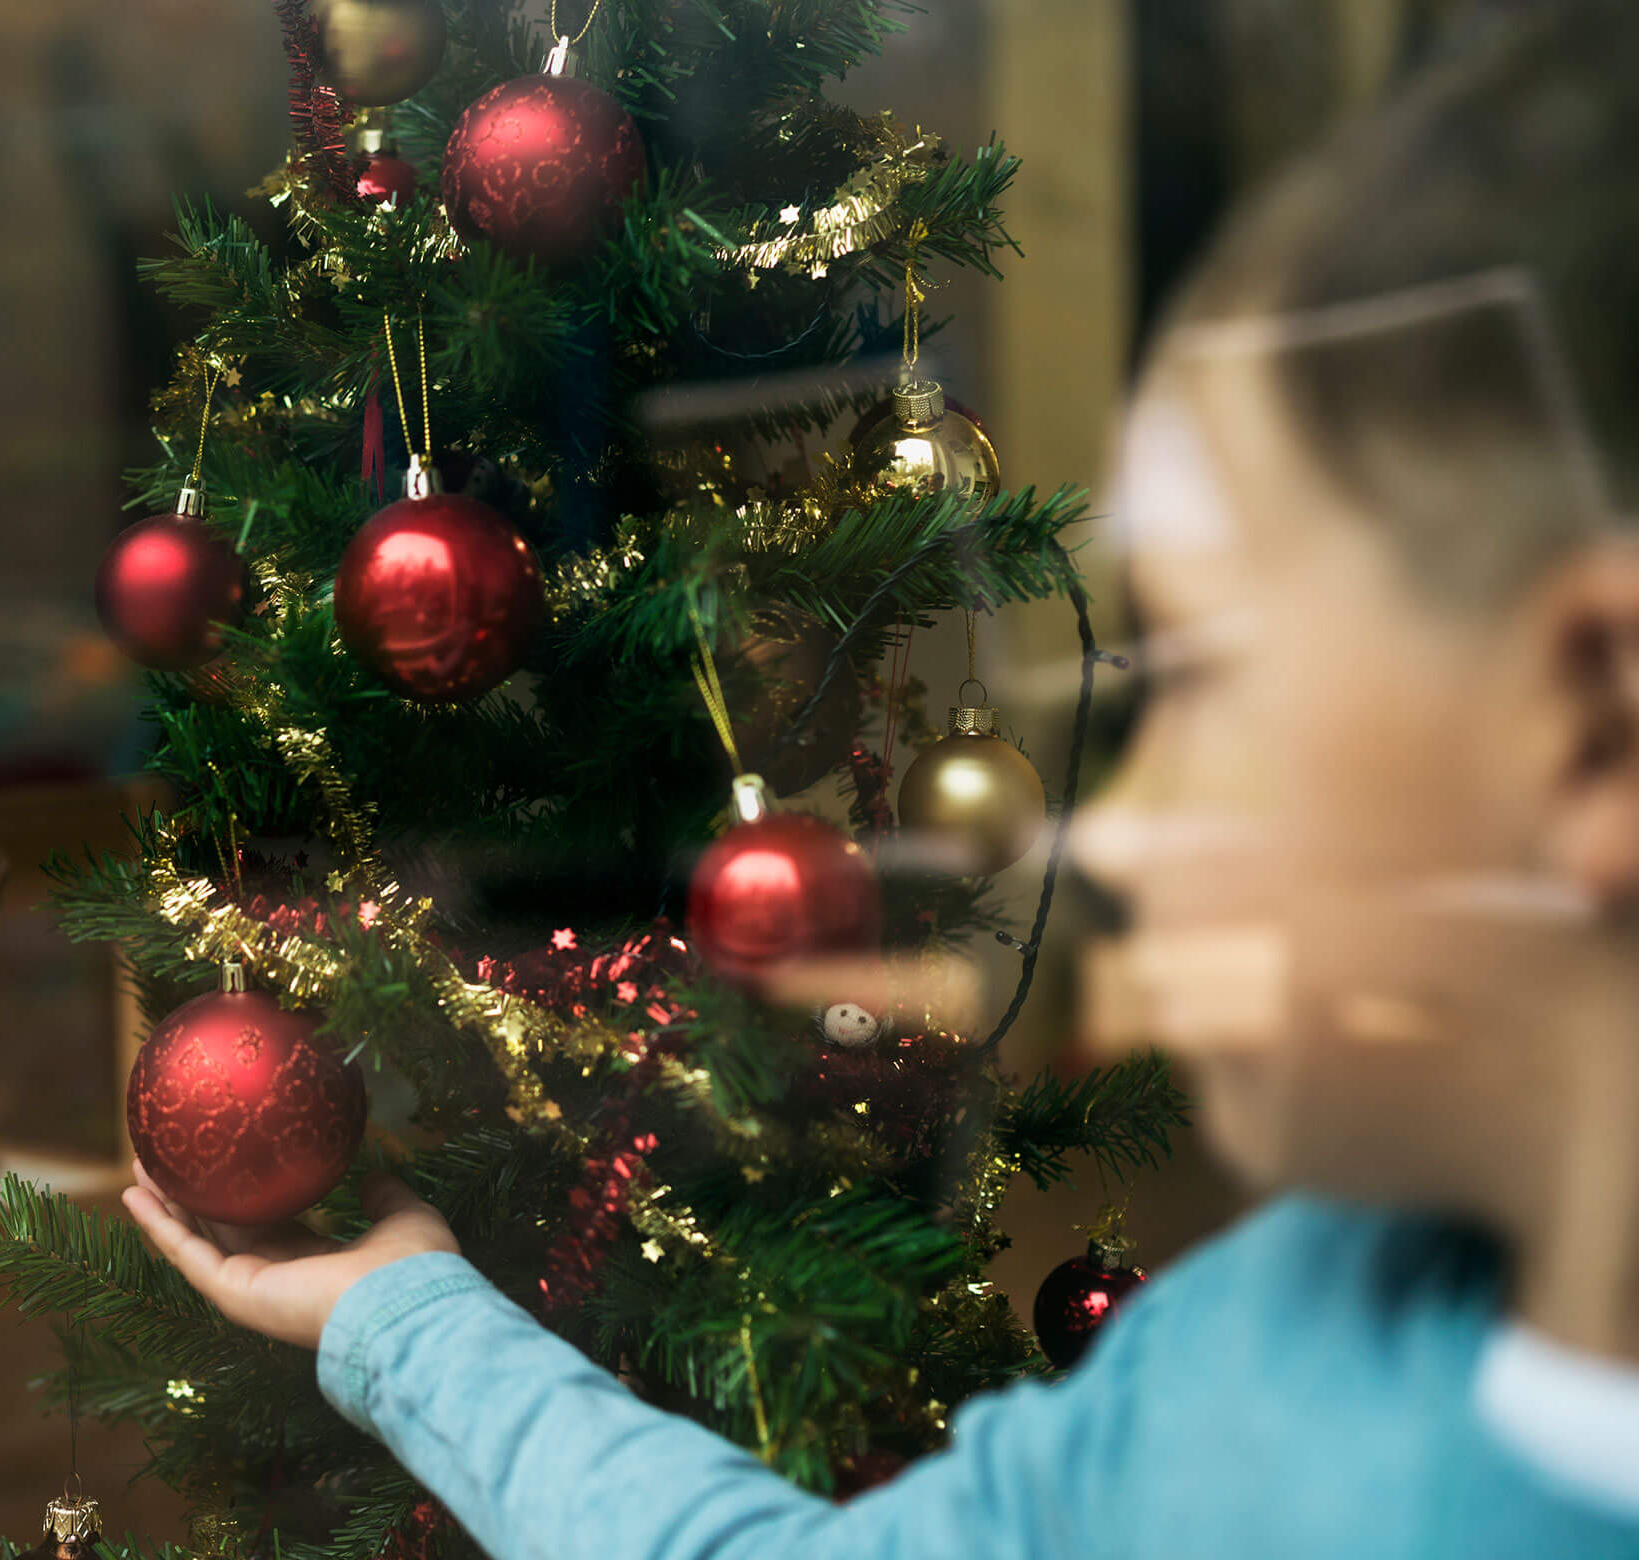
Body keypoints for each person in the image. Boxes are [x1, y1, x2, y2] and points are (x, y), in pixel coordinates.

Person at [123, 9, 1639, 1557]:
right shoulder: (1278, 1351)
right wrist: (405, 1314)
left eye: (1204, 677)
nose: (1115, 835)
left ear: (1596, 729)